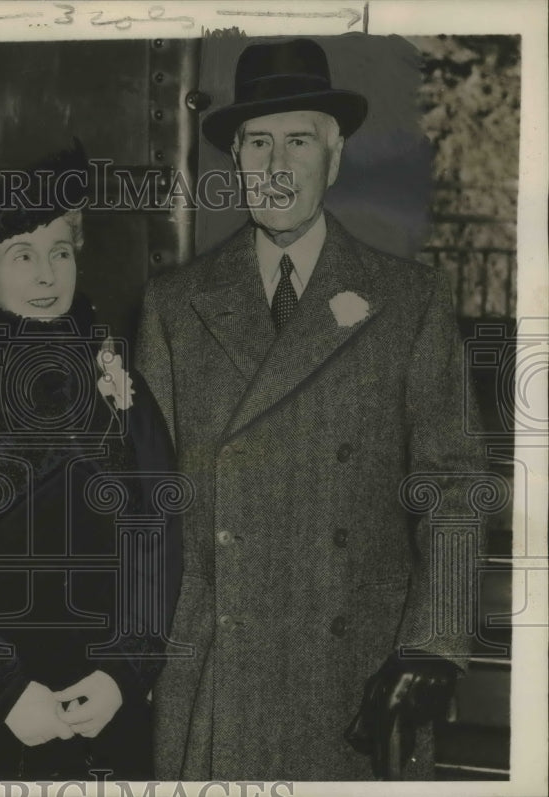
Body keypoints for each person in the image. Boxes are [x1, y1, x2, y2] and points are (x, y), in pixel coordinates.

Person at [137, 39, 487, 780]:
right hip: (215, 673)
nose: (276, 165)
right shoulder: (173, 306)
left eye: (299, 141)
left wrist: (434, 640)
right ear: (234, 161)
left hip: (357, 674)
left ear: (334, 157)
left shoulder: (408, 300)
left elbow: (452, 484)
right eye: (257, 143)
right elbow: (147, 503)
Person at [0, 143, 183, 780]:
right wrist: (0, 690)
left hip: (105, 707)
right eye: (22, 257)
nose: (47, 276)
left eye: (60, 252)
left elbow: (156, 536)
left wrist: (123, 674)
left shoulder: (123, 393)